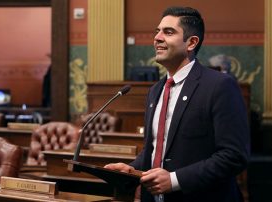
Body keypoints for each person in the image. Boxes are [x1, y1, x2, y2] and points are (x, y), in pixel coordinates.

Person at [105, 6, 249, 202]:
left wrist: (174, 180)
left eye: (168, 32)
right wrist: (133, 170)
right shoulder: (156, 90)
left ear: (191, 43)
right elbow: (157, 150)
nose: (157, 37)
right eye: (157, 31)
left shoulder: (219, 86)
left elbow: (234, 156)